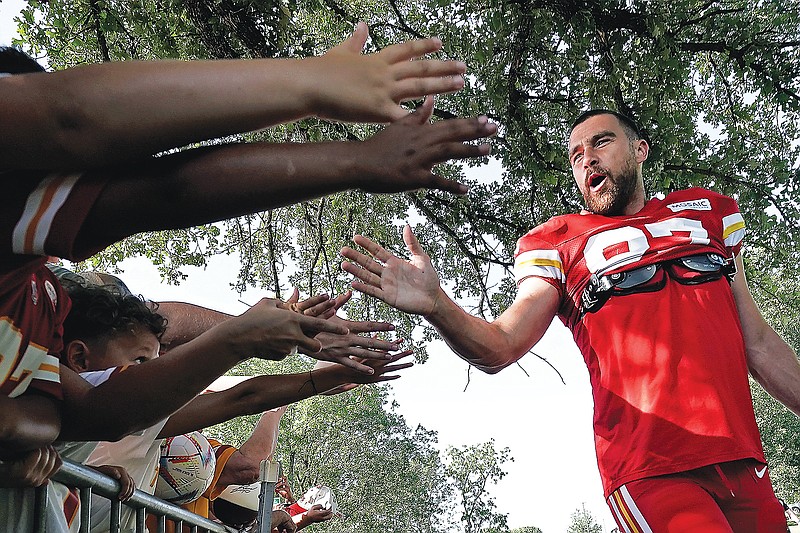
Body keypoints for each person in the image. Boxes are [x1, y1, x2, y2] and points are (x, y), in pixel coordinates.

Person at [0, 23, 496, 482]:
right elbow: (75, 122)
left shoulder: (38, 296)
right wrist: (313, 90)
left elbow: (91, 412)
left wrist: (31, 422)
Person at [341, 109, 800, 532]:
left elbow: (756, 340)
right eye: (576, 155)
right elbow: (501, 345)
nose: (587, 160)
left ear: (640, 150)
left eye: (601, 143)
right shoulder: (559, 242)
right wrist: (439, 304)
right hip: (651, 468)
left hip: (743, 458)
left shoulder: (708, 214)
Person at [49, 284, 412, 532]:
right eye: (142, 360)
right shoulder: (36, 410)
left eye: (158, 358)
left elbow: (241, 397)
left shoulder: (151, 422)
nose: (156, 370)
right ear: (78, 358)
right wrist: (248, 332)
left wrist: (327, 379)